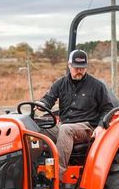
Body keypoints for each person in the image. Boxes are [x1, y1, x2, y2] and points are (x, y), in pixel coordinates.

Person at [37, 49, 114, 180]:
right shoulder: (60, 83)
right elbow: (48, 99)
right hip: (64, 124)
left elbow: (107, 109)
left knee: (66, 129)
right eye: (76, 67)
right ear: (69, 65)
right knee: (36, 127)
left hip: (86, 127)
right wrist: (42, 104)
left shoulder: (96, 86)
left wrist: (101, 126)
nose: (79, 70)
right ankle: (33, 171)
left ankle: (55, 177)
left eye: (82, 68)